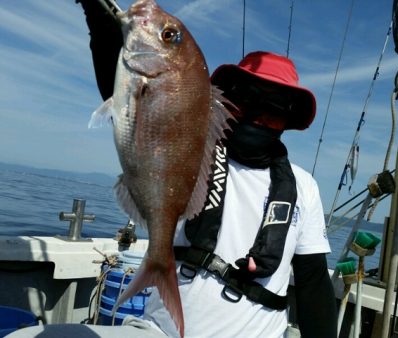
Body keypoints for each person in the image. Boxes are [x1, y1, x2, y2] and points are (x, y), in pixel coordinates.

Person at [9, 1, 337, 337]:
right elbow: (128, 96)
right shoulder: (194, 150)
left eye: (275, 109)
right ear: (227, 100)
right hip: (158, 331)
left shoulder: (303, 186)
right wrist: (98, 16)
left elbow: (312, 282)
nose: (257, 116)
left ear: (290, 121)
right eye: (247, 100)